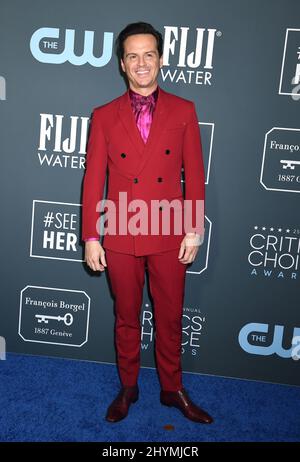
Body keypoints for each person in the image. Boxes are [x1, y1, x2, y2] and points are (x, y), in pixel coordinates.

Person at [82, 22, 213, 424]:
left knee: (171, 315)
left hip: (170, 230)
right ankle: (129, 386)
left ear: (160, 58)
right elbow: (93, 180)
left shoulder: (184, 110)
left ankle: (172, 389)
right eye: (133, 56)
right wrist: (91, 235)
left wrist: (194, 227)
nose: (142, 63)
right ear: (122, 64)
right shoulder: (103, 115)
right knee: (126, 314)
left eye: (149, 54)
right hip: (120, 230)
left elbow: (194, 170)